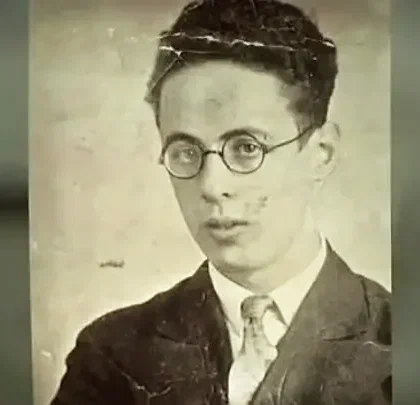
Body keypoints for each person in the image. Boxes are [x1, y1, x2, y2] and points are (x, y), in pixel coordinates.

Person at [50, 1, 391, 404]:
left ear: (321, 154)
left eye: (247, 147)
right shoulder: (109, 358)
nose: (212, 186)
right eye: (185, 151)